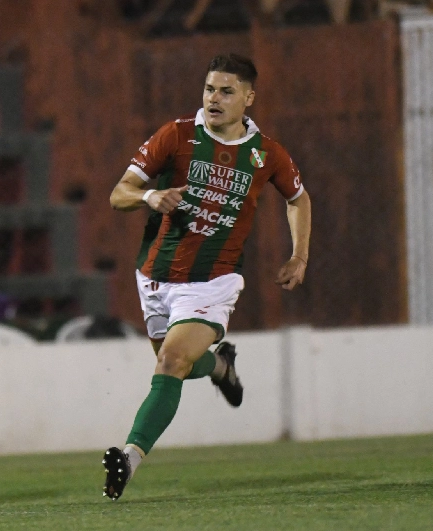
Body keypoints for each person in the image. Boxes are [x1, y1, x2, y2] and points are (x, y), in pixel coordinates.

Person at [103, 53, 311, 500]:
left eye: (226, 91)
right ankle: (220, 365)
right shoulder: (176, 136)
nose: (214, 99)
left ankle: (129, 458)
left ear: (249, 98)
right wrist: (151, 196)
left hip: (212, 281)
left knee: (170, 363)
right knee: (177, 364)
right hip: (155, 276)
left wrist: (300, 256)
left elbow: (298, 197)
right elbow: (118, 193)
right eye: (209, 89)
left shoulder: (266, 153)